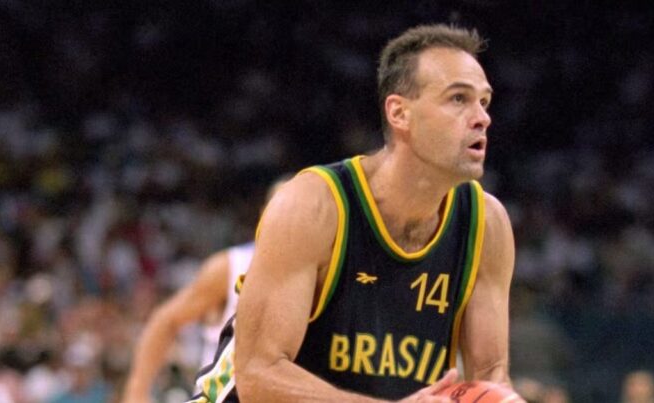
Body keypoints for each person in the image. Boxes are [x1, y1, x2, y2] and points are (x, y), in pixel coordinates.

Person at [192, 24, 517, 402]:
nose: (482, 118)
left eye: (484, 102)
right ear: (399, 113)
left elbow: (491, 377)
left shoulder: (486, 225)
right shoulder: (315, 205)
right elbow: (258, 378)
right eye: (458, 99)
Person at [123, 180, 285, 403]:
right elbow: (165, 320)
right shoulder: (231, 266)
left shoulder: (328, 273)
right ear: (264, 213)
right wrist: (137, 392)